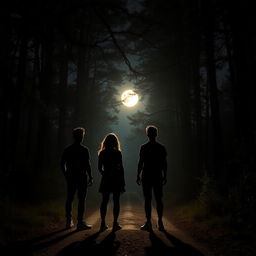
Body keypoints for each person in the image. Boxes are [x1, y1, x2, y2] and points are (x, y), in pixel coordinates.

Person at [61, 127, 93, 230]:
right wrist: (90, 176)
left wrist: (65, 174)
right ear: (81, 137)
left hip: (71, 176)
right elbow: (87, 165)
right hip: (81, 177)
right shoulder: (84, 150)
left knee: (70, 198)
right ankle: (79, 221)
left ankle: (68, 220)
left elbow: (62, 163)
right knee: (81, 199)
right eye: (82, 135)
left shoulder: (68, 149)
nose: (82, 137)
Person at [136, 125, 167, 231]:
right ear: (156, 134)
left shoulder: (144, 147)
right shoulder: (161, 147)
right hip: (157, 175)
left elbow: (141, 162)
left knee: (148, 199)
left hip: (147, 175)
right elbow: (164, 163)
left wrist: (138, 175)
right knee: (159, 199)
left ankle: (148, 222)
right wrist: (165, 175)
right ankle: (160, 222)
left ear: (147, 134)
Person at [98, 133, 125, 231]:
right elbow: (121, 168)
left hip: (106, 179)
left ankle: (102, 223)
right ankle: (115, 223)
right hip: (116, 179)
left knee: (104, 201)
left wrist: (105, 174)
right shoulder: (117, 153)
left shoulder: (102, 153)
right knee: (116, 201)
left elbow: (99, 168)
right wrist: (122, 182)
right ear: (115, 142)